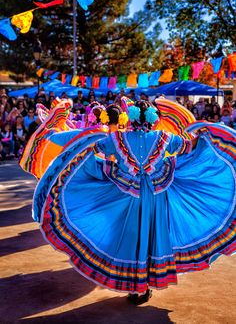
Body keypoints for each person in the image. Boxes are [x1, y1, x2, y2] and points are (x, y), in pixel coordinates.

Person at [32, 99, 235, 305]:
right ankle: (146, 285)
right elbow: (189, 147)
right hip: (157, 195)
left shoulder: (117, 138)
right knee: (152, 238)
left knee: (131, 239)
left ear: (131, 118)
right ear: (152, 119)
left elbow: (90, 146)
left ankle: (135, 286)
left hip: (127, 197)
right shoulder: (164, 137)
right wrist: (207, 131)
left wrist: (73, 148)